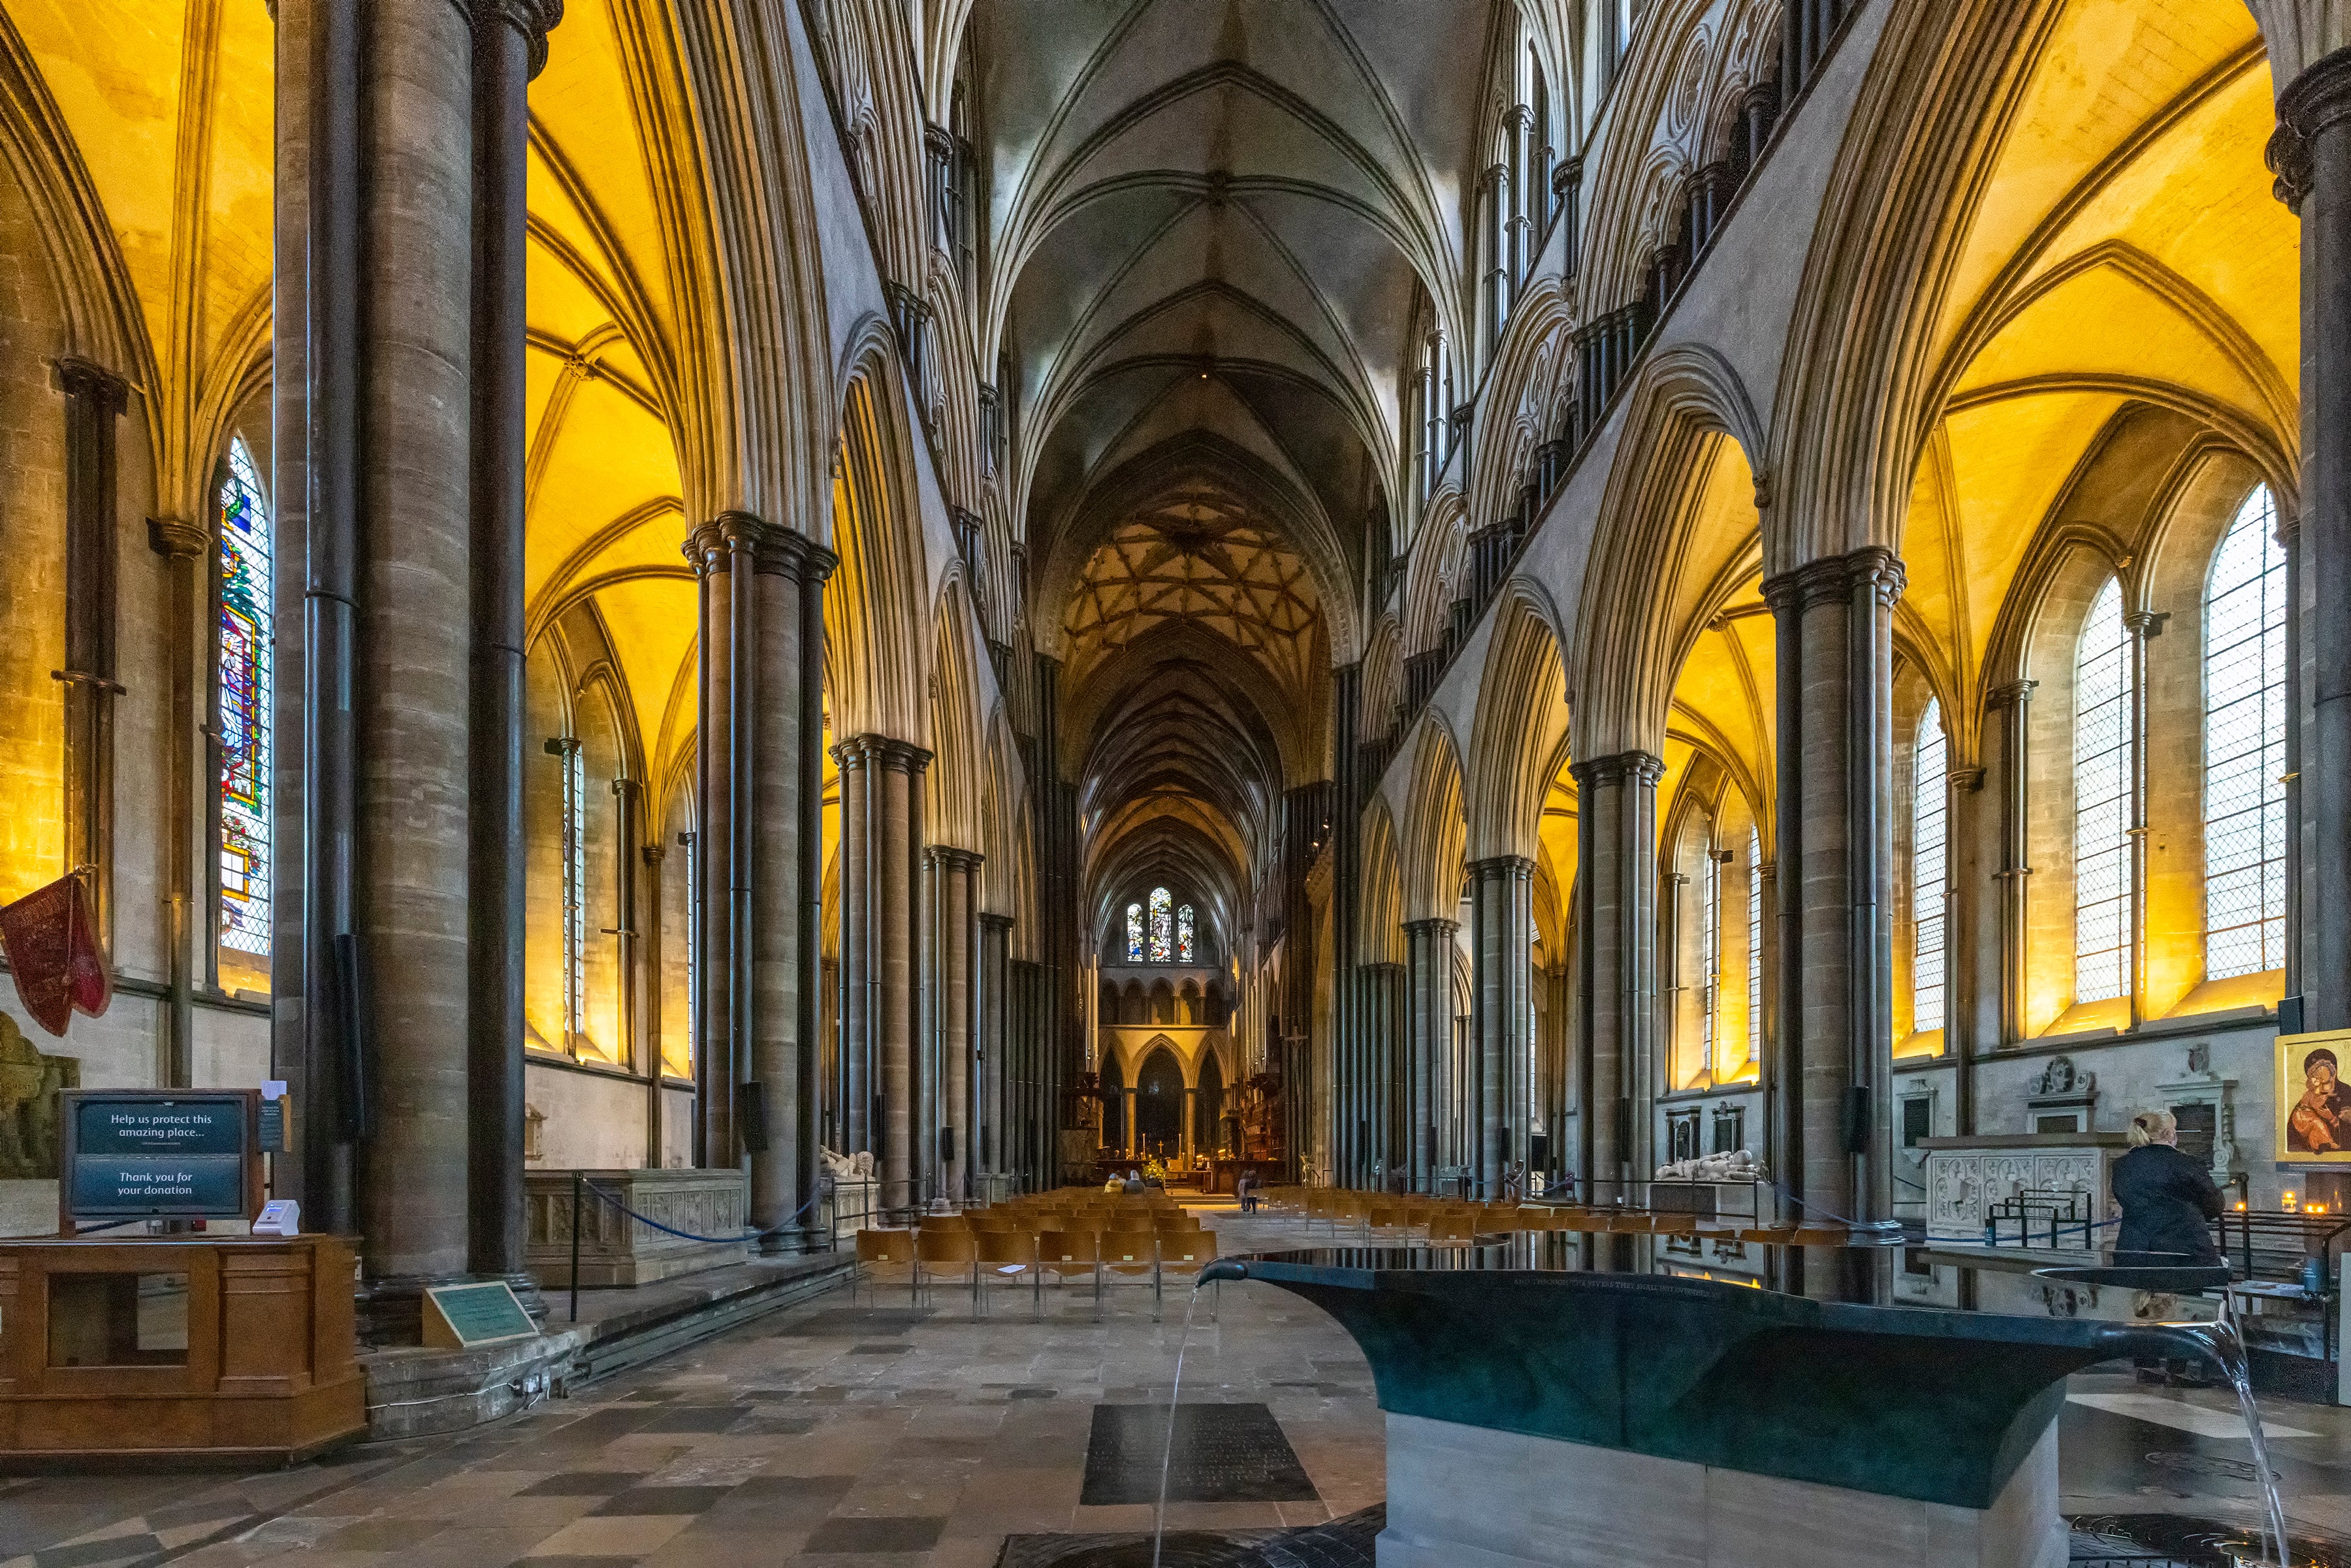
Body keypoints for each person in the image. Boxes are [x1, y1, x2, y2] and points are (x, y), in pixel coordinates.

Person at [2111, 1109, 2224, 1269]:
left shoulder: (2122, 1165)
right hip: (2182, 1251)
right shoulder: (2186, 1163)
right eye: (2174, 1130)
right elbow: (2214, 1205)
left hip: (2134, 1250)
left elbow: (2124, 1198)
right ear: (2168, 1134)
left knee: (2138, 1294)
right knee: (2186, 1295)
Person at [2290, 1048, 2351, 1154]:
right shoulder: (2310, 1096)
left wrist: (2337, 1119)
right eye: (2313, 1073)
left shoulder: (2346, 1092)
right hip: (2317, 1158)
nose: (2317, 1075)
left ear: (2333, 1072)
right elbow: (2292, 1137)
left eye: (2319, 1069)